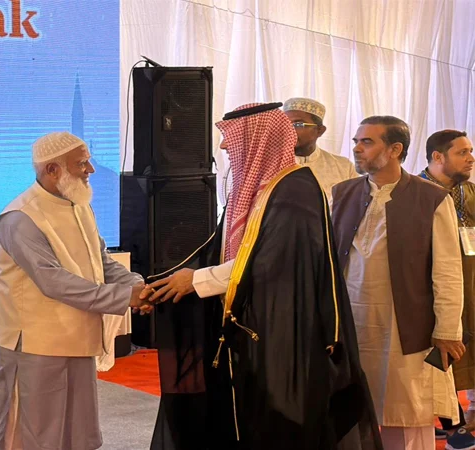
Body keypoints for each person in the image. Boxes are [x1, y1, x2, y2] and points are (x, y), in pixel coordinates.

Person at [147, 103, 381, 449]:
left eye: (231, 139)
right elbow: (222, 250)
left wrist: (195, 281)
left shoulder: (295, 191)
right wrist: (161, 287)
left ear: (259, 140)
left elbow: (271, 262)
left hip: (283, 331)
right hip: (251, 326)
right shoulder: (256, 187)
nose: (224, 147)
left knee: (276, 422)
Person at [0, 131, 153, 450]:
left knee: (75, 430)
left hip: (77, 336)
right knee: (34, 434)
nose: (91, 169)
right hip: (36, 345)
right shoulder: (20, 218)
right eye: (81, 163)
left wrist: (137, 286)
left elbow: (101, 262)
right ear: (52, 170)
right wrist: (125, 298)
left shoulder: (79, 204)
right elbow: (53, 281)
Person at [332, 116, 464, 450]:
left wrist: (447, 330)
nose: (357, 149)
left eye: (367, 142)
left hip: (406, 328)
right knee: (353, 412)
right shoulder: (341, 193)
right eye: (356, 141)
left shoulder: (431, 198)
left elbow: (448, 270)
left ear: (394, 149)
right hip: (352, 323)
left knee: (406, 415)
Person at [419, 129, 475, 448]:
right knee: (441, 352)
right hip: (433, 289)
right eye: (462, 152)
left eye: (470, 151)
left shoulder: (468, 191)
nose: (471, 158)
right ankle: (453, 425)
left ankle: (461, 417)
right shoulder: (415, 193)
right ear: (438, 157)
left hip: (469, 284)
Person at [283, 97, 356, 202]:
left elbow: (353, 205)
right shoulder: (269, 166)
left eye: (298, 124)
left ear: (320, 130)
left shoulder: (343, 167)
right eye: (285, 124)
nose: (289, 130)